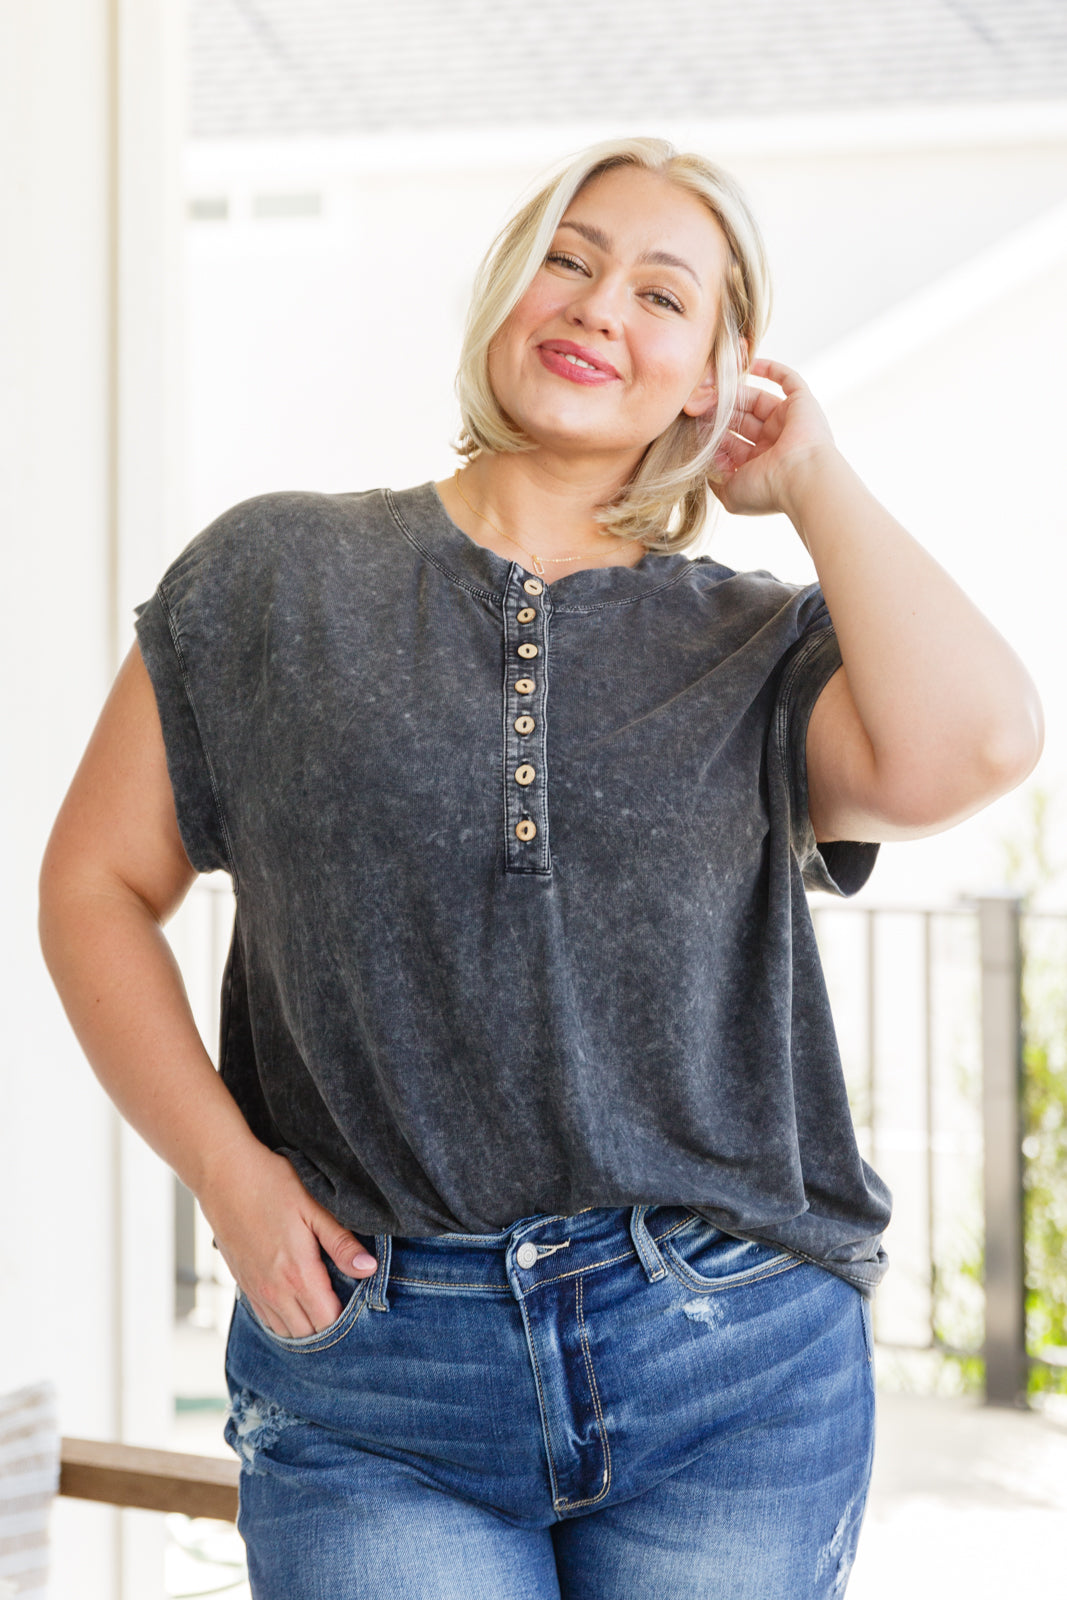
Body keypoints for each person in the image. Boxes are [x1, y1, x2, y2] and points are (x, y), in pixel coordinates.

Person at [39, 137, 1042, 1598]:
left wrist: (815, 475)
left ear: (714, 374)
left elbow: (986, 738)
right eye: (567, 259)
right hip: (373, 1373)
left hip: (729, 1361)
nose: (596, 306)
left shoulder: (755, 645)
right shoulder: (271, 577)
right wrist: (227, 1172)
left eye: (662, 293)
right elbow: (94, 889)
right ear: (506, 290)